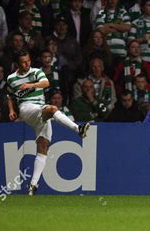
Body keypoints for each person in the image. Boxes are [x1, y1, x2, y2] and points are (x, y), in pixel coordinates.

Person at [6, 50, 90, 195]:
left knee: (43, 146)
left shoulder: (36, 72)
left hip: (39, 109)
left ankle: (32, 186)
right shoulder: (11, 78)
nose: (27, 64)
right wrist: (11, 110)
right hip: (27, 109)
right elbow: (9, 96)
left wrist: (30, 85)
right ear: (17, 64)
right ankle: (78, 129)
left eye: (28, 61)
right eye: (23, 62)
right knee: (52, 109)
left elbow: (46, 83)